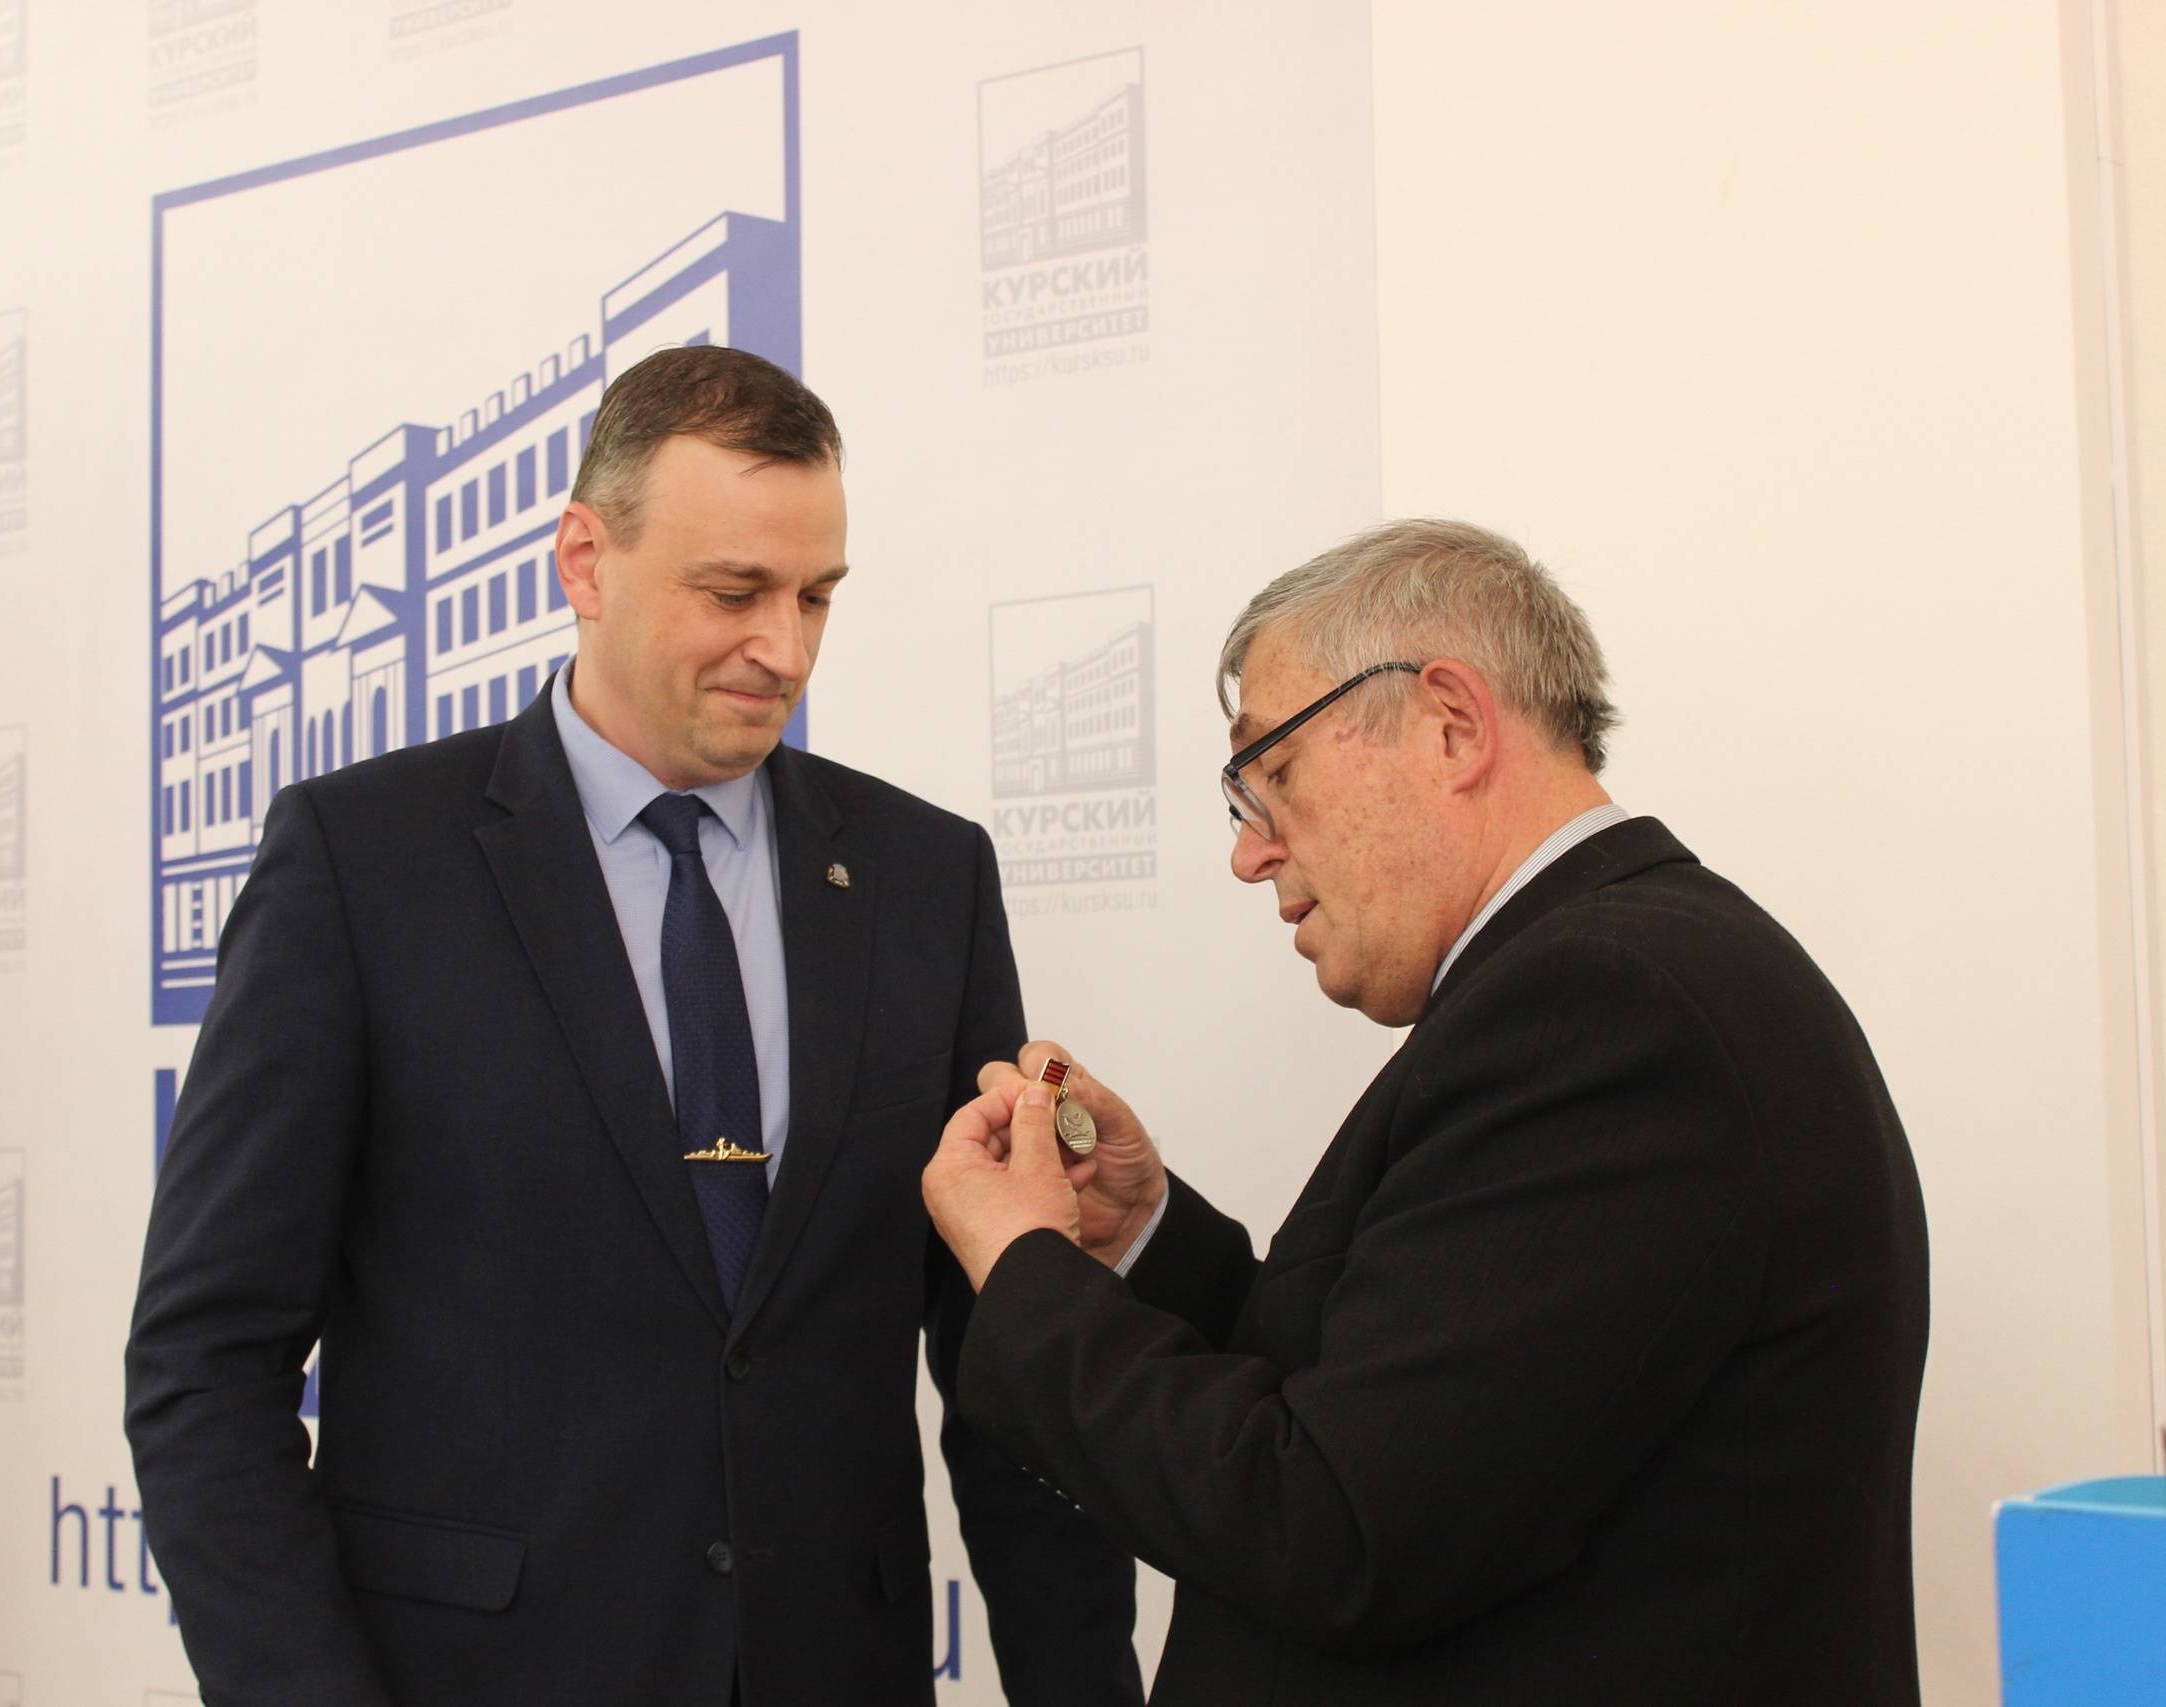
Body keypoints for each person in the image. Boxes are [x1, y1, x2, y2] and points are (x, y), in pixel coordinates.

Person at [127, 345, 1139, 1707]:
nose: (785, 650)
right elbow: (203, 1363)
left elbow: (1009, 1348)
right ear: (584, 562)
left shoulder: (926, 878)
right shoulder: (362, 864)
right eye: (733, 592)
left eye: (816, 596)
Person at [921, 519, 1929, 1705]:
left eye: (1270, 776)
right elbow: (1400, 1415)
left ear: (1450, 724)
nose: (1249, 854)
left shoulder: (1607, 1010)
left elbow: (1333, 1531)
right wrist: (1140, 1234)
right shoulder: (1615, 979)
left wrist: (1026, 1268)